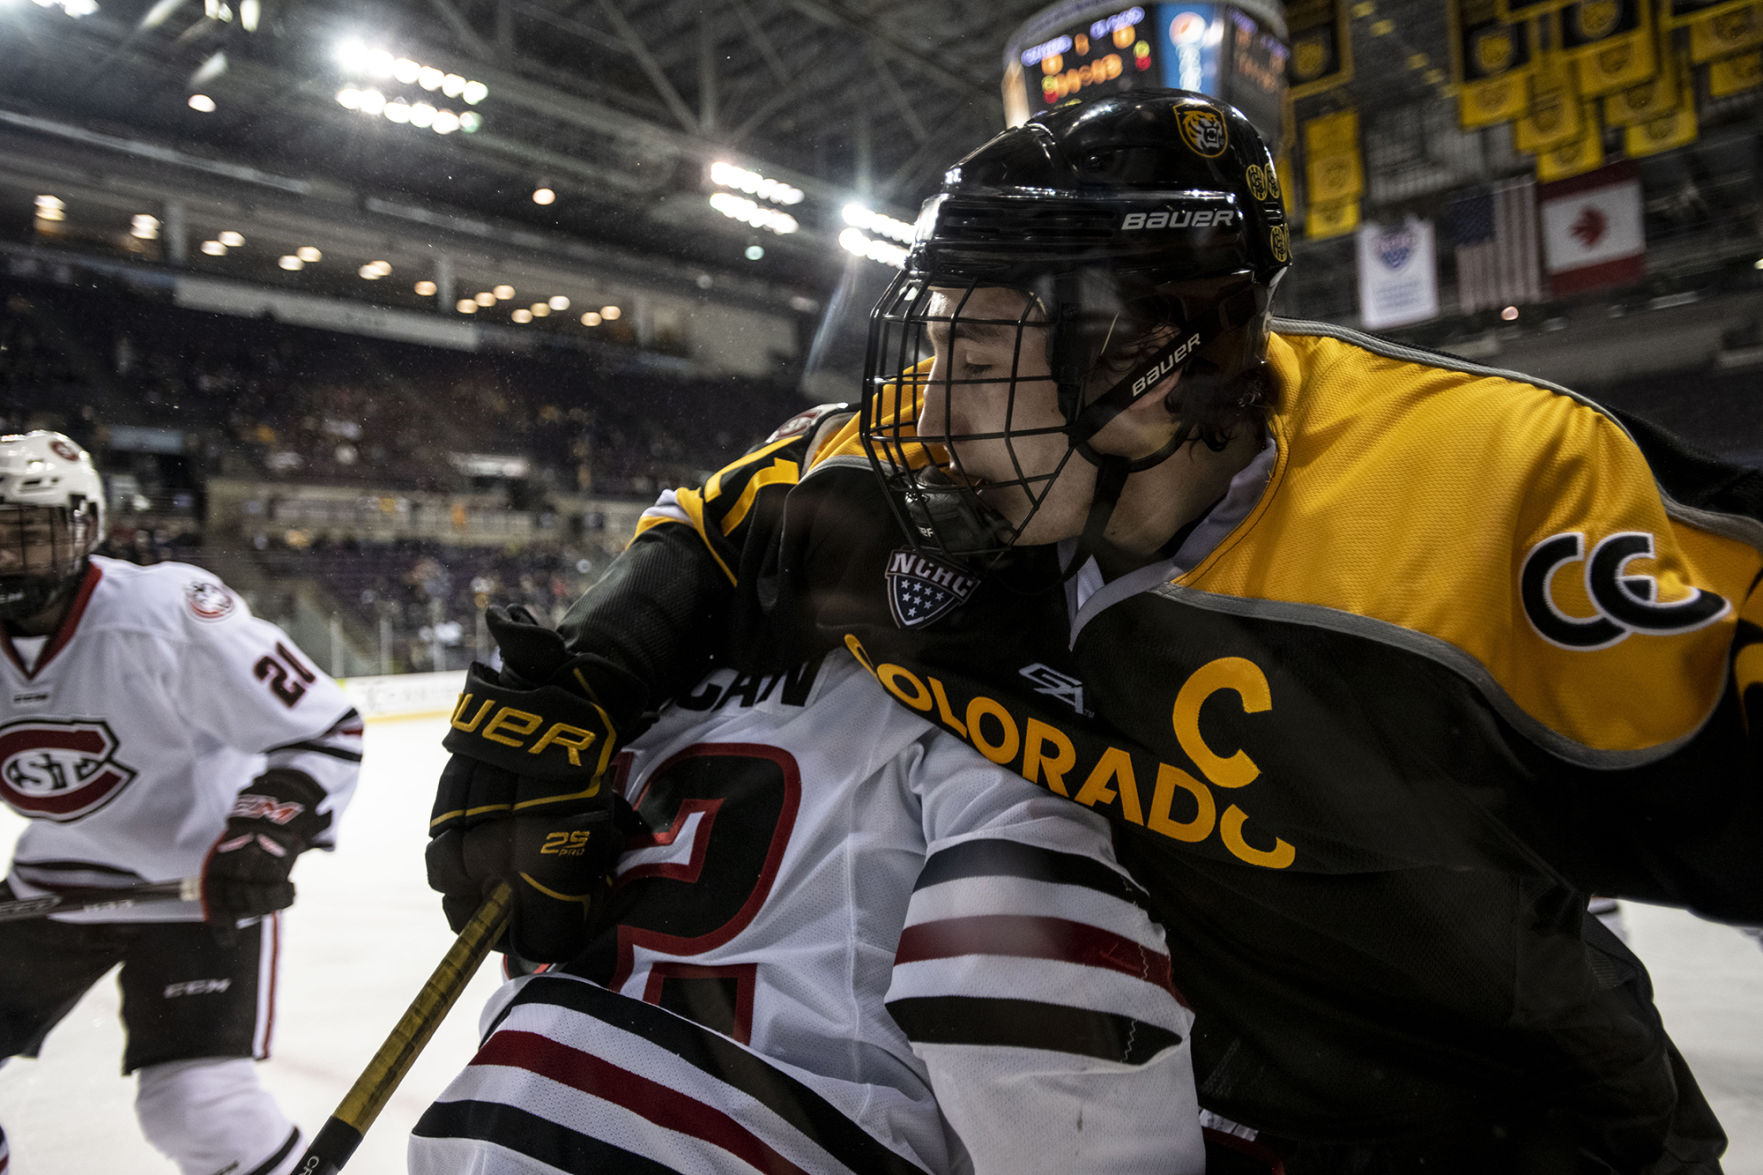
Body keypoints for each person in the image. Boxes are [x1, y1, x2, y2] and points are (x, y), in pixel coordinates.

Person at [428, 92, 1763, 1173]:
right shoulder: (933, 485)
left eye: (980, 345)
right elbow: (727, 517)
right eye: (931, 335)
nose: (927, 404)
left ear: (1154, 361)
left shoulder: (1489, 495)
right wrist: (580, 681)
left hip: (1500, 1131)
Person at [416, 528, 1238, 1170]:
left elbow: (536, 948)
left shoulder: (616, 704)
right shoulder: (985, 713)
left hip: (497, 1122)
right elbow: (1021, 1003)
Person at [0, 431, 363, 1175]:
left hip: (196, 891)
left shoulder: (162, 613)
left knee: (199, 1106)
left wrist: (263, 832)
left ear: (83, 529)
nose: (3, 557)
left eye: (24, 536)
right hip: (53, 887)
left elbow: (325, 729)